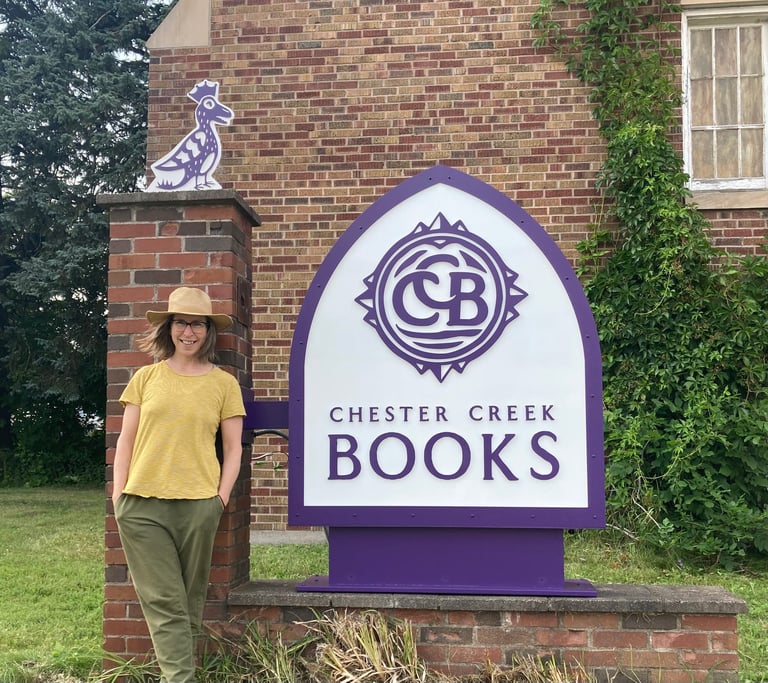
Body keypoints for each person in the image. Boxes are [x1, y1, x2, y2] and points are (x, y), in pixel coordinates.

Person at [112, 287, 245, 683]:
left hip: (198, 506)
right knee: (166, 602)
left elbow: (234, 449)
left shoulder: (224, 384)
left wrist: (219, 500)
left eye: (198, 324)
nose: (190, 332)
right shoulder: (145, 378)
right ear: (170, 327)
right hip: (142, 507)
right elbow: (126, 440)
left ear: (208, 331)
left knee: (189, 603)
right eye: (182, 322)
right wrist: (120, 495)